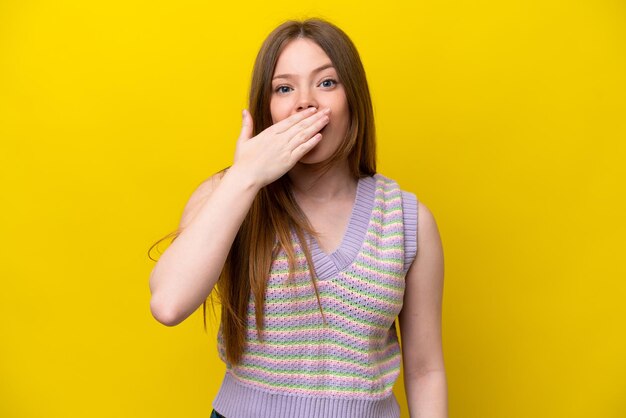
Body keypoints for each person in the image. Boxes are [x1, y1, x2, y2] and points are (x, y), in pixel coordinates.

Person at [148, 18, 447, 418]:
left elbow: (426, 370)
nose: (305, 102)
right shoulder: (229, 193)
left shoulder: (408, 220)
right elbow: (168, 304)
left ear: (353, 97)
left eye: (326, 82)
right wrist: (246, 177)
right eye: (284, 88)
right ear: (267, 107)